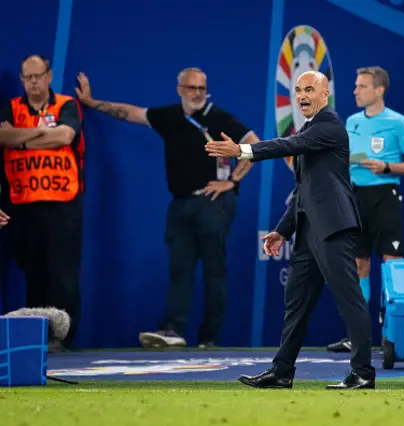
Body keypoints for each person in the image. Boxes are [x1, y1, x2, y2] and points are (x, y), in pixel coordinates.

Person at [205, 71, 376, 390]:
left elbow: (289, 144)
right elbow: (304, 190)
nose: (302, 96)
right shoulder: (311, 127)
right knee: (296, 302)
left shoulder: (329, 125)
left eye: (309, 89)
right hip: (308, 233)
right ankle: (282, 371)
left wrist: (243, 151)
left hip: (334, 227)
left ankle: (363, 372)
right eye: (298, 90)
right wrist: (283, 230)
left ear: (325, 95)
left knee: (349, 299)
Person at [75, 67, 260, 348]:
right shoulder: (169, 116)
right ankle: (173, 330)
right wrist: (91, 103)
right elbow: (131, 112)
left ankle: (209, 338)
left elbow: (254, 144)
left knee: (214, 271)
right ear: (179, 89)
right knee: (179, 268)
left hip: (214, 203)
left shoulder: (218, 118)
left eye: (202, 88)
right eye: (192, 88)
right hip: (180, 203)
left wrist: (232, 181)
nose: (197, 94)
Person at [327, 66, 404, 353]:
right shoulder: (352, 121)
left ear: (379, 90)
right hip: (355, 196)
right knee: (358, 263)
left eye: (362, 86)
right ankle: (357, 336)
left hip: (385, 195)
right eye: (356, 86)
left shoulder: (398, 122)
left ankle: (393, 336)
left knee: (392, 263)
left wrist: (386, 167)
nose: (355, 91)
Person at [0, 54, 86, 351]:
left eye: (38, 76)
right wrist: (38, 134)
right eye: (28, 77)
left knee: (63, 275)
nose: (33, 82)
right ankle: (36, 339)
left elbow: (64, 136)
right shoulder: (11, 107)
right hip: (23, 204)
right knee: (34, 273)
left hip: (63, 202)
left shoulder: (66, 105)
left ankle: (64, 339)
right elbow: (2, 135)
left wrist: (21, 139)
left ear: (49, 76)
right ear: (22, 80)